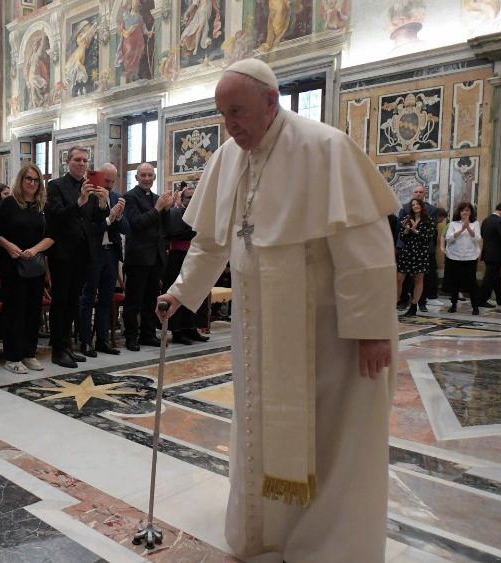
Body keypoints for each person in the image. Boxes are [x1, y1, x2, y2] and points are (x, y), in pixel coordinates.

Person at [157, 59, 398, 562]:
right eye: (223, 115)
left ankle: (328, 546)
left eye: (238, 112)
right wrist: (180, 292)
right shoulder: (228, 159)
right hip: (257, 331)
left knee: (330, 437)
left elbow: (367, 248)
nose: (231, 126)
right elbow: (211, 241)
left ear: (272, 101)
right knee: (261, 428)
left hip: (327, 332)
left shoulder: (325, 148)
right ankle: (267, 530)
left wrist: (374, 329)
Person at [45, 146, 109, 368]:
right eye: (77, 160)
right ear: (67, 161)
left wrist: (102, 203)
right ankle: (58, 349)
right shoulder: (55, 186)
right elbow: (56, 217)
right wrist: (80, 201)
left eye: (85, 161)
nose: (82, 164)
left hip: (85, 252)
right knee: (61, 301)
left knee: (74, 302)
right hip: (62, 252)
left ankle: (67, 346)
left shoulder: (90, 187)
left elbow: (96, 220)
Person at [0, 164, 55, 374]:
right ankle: (12, 356)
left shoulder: (41, 206)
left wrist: (34, 250)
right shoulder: (10, 203)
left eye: (36, 180)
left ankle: (29, 353)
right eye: (28, 179)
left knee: (32, 311)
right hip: (12, 264)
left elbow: (51, 236)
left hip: (34, 264)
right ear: (21, 181)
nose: (32, 183)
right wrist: (10, 246)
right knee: (14, 311)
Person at [78, 163, 128, 357]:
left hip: (111, 253)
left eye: (112, 182)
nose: (108, 185)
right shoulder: (89, 196)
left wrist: (119, 215)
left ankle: (102, 340)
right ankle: (85, 342)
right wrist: (110, 218)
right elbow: (91, 230)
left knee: (106, 299)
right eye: (106, 180)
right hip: (93, 253)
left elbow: (126, 229)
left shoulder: (116, 197)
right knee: (88, 298)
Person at [122, 162, 173, 351]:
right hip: (138, 258)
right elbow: (136, 224)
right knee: (133, 300)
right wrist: (158, 208)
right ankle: (131, 337)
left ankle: (148, 334)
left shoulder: (157, 198)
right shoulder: (130, 197)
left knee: (151, 300)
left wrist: (167, 209)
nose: (146, 179)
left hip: (156, 257)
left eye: (150, 175)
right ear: (136, 178)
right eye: (143, 175)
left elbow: (165, 228)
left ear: (154, 177)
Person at [162, 183, 209, 344]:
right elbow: (174, 233)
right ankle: (178, 331)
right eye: (188, 197)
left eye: (194, 197)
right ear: (182, 199)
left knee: (195, 292)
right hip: (178, 258)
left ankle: (192, 328)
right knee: (179, 293)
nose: (191, 200)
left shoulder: (200, 214)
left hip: (195, 257)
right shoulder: (175, 213)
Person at [397, 184, 437, 311]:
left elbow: (429, 235)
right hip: (407, 250)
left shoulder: (429, 218)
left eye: (420, 192)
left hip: (421, 250)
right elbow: (401, 233)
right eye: (413, 205)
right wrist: (407, 231)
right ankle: (399, 301)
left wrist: (415, 230)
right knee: (399, 278)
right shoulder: (406, 215)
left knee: (419, 279)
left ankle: (416, 304)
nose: (415, 206)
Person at [443, 202, 482, 315]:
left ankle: (475, 307)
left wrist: (468, 227)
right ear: (459, 212)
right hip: (454, 257)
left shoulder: (475, 223)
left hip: (470, 257)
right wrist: (461, 230)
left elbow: (477, 238)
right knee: (455, 282)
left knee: (472, 283)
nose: (465, 212)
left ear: (471, 212)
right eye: (463, 210)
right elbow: (449, 238)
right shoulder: (453, 224)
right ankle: (453, 305)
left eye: (467, 210)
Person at [479, 201, 501, 307]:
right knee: (489, 278)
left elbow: (482, 234)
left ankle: (500, 298)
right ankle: (481, 300)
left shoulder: (486, 220)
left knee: (496, 277)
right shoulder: (500, 221)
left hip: (487, 253)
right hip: (496, 254)